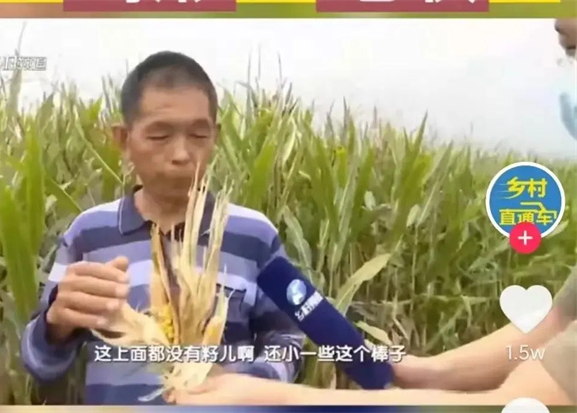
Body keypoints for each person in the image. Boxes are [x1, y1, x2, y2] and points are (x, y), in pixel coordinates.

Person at [173, 19, 577, 406]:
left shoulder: (253, 235)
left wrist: (269, 396)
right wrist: (417, 369)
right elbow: (556, 322)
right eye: (569, 51)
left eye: (573, 47)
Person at [20, 51, 305, 405]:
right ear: (123, 139)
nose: (181, 154)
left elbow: (287, 341)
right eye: (159, 136)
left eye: (198, 135)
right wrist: (56, 324)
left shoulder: (255, 236)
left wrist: (248, 384)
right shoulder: (88, 234)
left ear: (215, 137)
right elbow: (40, 365)